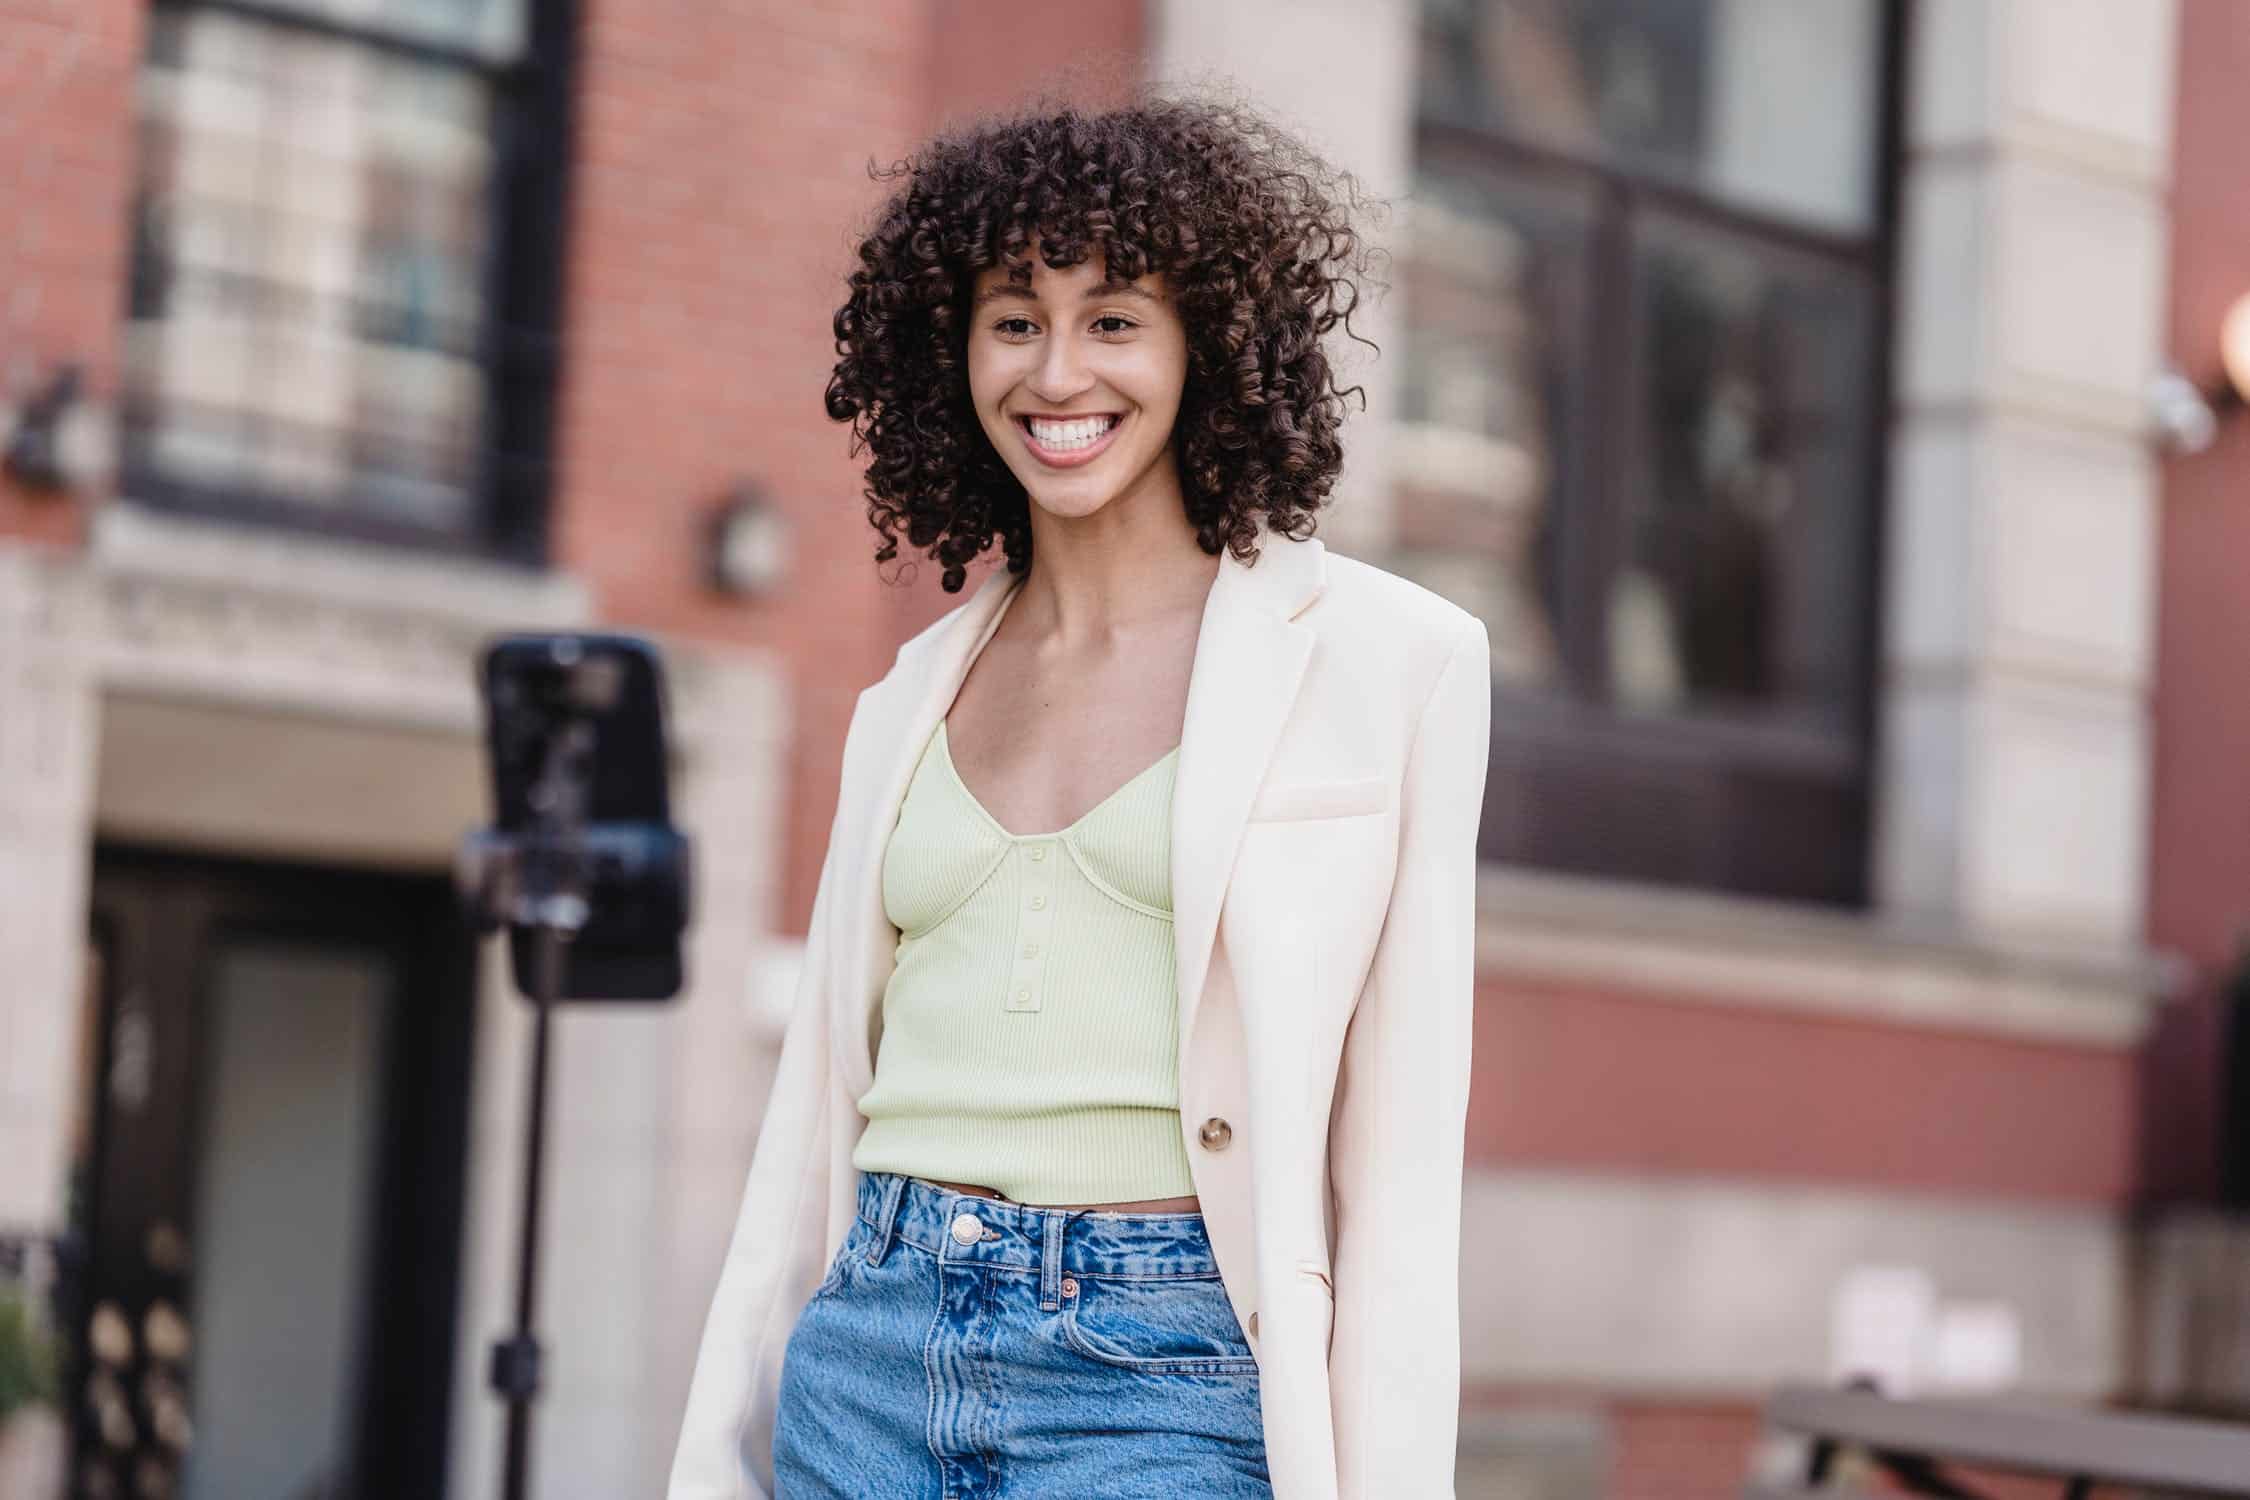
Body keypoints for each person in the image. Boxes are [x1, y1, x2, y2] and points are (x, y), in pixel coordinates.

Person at [669, 89, 1491, 1500]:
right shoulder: (906, 696)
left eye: (1112, 319)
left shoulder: (1389, 664)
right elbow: (809, 1120)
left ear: (1205, 347)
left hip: (1159, 1367)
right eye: (1011, 319)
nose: (1056, 375)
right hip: (873, 1336)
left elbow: (1402, 1177)